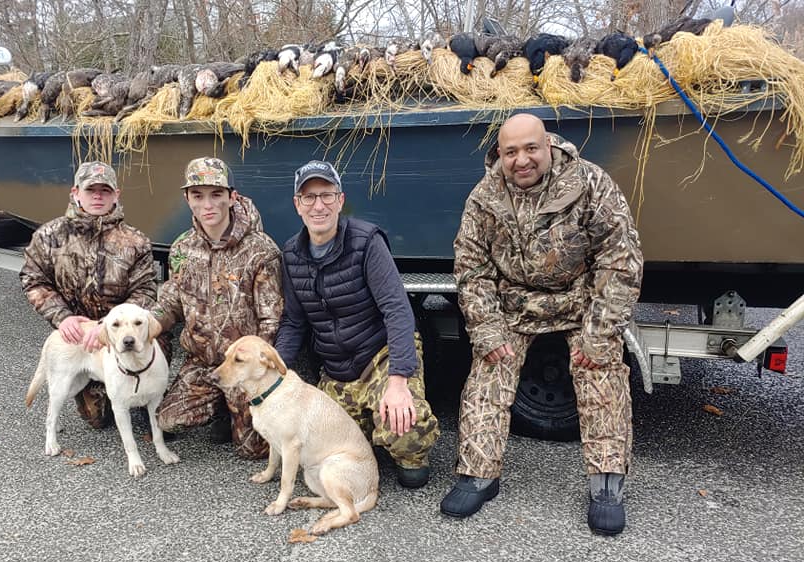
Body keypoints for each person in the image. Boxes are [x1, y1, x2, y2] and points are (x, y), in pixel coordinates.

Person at [445, 112, 643, 535]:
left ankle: (606, 484)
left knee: (600, 372)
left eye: (531, 148)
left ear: (548, 146)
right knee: (487, 374)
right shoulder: (484, 198)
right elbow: (471, 269)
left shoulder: (590, 183)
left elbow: (620, 260)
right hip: (515, 305)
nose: (522, 160)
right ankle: (479, 476)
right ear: (499, 154)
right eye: (511, 151)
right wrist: (488, 331)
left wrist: (599, 332)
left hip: (580, 301)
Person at [275, 160, 440, 488]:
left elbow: (397, 310)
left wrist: (397, 383)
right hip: (336, 372)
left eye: (326, 195)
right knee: (311, 450)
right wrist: (275, 375)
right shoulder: (290, 255)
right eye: (308, 198)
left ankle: (409, 455)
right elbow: (294, 322)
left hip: (379, 358)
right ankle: (365, 429)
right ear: (297, 205)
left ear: (340, 200)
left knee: (406, 430)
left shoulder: (367, 242)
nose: (318, 205)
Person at [153, 157, 283, 459]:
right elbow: (171, 301)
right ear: (187, 199)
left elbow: (271, 320)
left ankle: (234, 407)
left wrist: (256, 372)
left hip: (244, 368)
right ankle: (221, 408)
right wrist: (145, 325)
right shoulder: (182, 248)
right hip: (203, 362)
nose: (207, 204)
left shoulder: (261, 250)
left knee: (254, 451)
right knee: (168, 420)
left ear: (232, 197)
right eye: (198, 196)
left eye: (216, 194)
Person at [20, 160, 158, 429]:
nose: (97, 196)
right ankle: (102, 389)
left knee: (155, 341)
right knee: (97, 421)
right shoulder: (49, 235)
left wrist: (108, 325)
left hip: (120, 331)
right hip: (79, 339)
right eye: (90, 189)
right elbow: (32, 279)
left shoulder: (136, 240)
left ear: (116, 195)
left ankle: (144, 397)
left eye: (105, 190)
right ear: (75, 193)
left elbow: (146, 290)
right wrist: (63, 318)